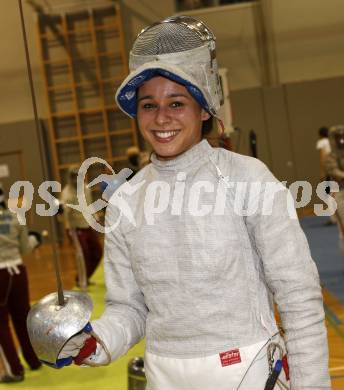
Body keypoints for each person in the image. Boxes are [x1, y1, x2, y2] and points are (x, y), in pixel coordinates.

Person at [58, 16, 330, 389]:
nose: (162, 118)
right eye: (149, 105)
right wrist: (96, 342)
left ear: (204, 110)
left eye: (177, 103)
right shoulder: (127, 202)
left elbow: (298, 295)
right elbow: (130, 308)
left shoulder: (247, 179)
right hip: (164, 376)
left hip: (247, 372)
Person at [0, 183, 41, 383]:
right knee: (23, 316)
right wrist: (36, 239)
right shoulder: (16, 216)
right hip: (17, 272)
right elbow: (26, 249)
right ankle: (34, 360)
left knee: (1, 324)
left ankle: (15, 370)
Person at [60, 168, 102, 286]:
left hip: (87, 225)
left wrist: (96, 221)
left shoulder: (86, 188)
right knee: (83, 254)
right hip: (75, 228)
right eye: (73, 177)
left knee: (97, 253)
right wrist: (61, 210)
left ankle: (85, 278)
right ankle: (81, 281)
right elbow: (64, 211)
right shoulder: (67, 194)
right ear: (69, 178)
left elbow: (89, 205)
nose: (76, 179)